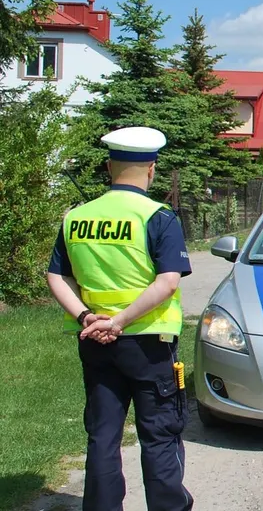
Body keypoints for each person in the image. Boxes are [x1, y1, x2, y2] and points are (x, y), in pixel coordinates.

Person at [47, 126, 194, 510]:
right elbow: (167, 282)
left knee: (103, 436)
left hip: (95, 343)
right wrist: (121, 320)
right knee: (159, 435)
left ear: (110, 166)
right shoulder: (158, 217)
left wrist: (85, 317)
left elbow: (55, 275)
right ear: (151, 170)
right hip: (149, 344)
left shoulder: (76, 217)